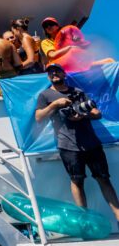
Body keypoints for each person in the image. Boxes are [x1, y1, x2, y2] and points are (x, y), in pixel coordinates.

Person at [35, 63, 119, 223]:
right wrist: (56, 104)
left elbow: (97, 113)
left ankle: (118, 216)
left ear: (64, 73)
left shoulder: (78, 92)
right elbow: (38, 118)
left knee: (103, 178)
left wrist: (84, 115)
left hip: (91, 143)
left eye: (57, 70)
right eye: (50, 72)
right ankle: (85, 220)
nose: (54, 73)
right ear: (48, 77)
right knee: (77, 180)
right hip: (68, 145)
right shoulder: (44, 95)